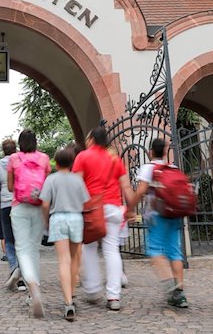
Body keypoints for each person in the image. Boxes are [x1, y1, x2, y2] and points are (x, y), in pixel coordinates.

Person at [73, 126, 134, 311]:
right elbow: (126, 186)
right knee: (111, 251)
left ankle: (92, 289)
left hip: (92, 209)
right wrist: (131, 208)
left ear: (91, 139)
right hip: (114, 209)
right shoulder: (115, 159)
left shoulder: (83, 157)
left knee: (88, 248)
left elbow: (77, 185)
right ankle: (114, 296)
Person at [125, 137, 188, 308]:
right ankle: (180, 294)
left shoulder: (148, 168)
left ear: (150, 152)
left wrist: (130, 207)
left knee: (154, 250)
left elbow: (142, 190)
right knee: (175, 252)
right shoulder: (173, 168)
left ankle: (170, 286)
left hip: (156, 215)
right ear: (165, 152)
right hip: (174, 214)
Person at [39, 146, 89, 321]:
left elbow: (45, 204)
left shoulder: (51, 179)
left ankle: (67, 302)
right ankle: (72, 294)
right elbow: (86, 201)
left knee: (63, 260)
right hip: (76, 218)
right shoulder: (77, 179)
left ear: (56, 162)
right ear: (71, 162)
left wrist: (46, 221)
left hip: (58, 218)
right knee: (75, 258)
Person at [7, 129, 50, 318]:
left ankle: (33, 287)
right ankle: (35, 290)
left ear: (19, 143)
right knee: (33, 249)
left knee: (22, 249)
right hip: (38, 207)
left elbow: (10, 187)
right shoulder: (44, 159)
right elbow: (46, 185)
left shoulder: (14, 159)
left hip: (19, 207)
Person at [0, 139, 19, 285]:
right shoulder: (20, 162)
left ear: (3, 150)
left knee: (9, 238)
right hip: (20, 203)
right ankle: (24, 271)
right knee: (21, 239)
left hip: (6, 205)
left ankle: (14, 267)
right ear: (16, 149)